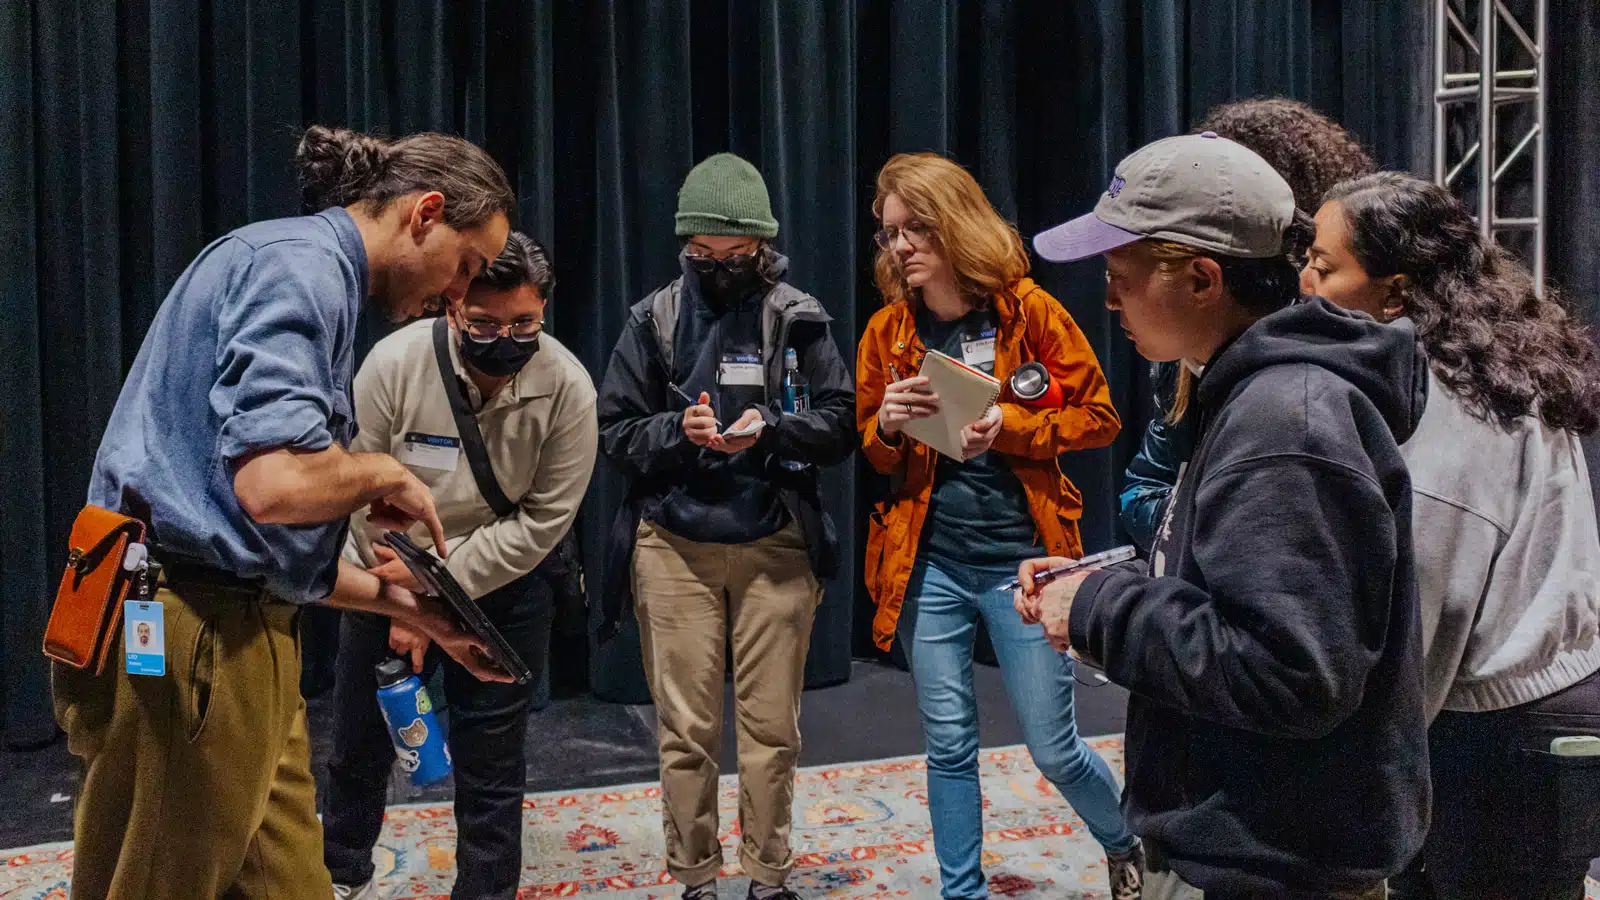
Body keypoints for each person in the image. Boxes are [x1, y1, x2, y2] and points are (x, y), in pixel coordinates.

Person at [52, 125, 517, 900]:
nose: (461, 295)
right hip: (188, 639)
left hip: (240, 634)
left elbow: (255, 543)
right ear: (425, 213)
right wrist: (382, 472)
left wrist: (418, 610)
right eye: (466, 265)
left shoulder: (303, 268)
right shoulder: (298, 271)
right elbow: (270, 488)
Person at [1019, 133, 1429, 897]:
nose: (1109, 301)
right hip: (1249, 844)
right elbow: (1237, 588)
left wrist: (1103, 608)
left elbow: (1292, 671)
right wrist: (1111, 580)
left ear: (1204, 279)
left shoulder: (1286, 422)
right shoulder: (1253, 397)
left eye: (1120, 278)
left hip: (1270, 862)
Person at [1303, 171, 1600, 900]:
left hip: (1503, 740)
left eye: (1323, 263)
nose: (1304, 280)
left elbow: (1428, 623)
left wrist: (1365, 768)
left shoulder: (1450, 413)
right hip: (1526, 717)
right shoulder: (1493, 360)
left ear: (1395, 292)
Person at [855, 153, 1136, 900]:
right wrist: (886, 424)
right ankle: (963, 892)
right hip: (930, 566)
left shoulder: (1029, 313)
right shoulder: (887, 331)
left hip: (1026, 563)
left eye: (917, 228)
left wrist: (1008, 425)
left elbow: (1099, 417)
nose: (901, 246)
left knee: (1054, 747)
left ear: (958, 226)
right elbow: (873, 451)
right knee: (948, 745)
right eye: (889, 234)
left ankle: (1127, 842)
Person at [596, 153, 857, 900]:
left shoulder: (799, 315)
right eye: (700, 254)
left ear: (761, 248)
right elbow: (614, 431)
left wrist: (769, 430)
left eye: (732, 255)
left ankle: (769, 878)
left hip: (775, 543)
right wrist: (682, 430)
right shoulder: (654, 317)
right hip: (673, 548)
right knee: (686, 733)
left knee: (773, 732)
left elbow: (840, 424)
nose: (715, 267)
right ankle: (695, 879)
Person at [322, 233, 598, 900]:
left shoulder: (569, 389)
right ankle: (337, 873)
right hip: (385, 574)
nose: (505, 337)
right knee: (359, 744)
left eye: (524, 322)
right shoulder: (392, 365)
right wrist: (398, 597)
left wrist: (439, 589)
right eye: (484, 323)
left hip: (505, 588)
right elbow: (353, 486)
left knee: (494, 765)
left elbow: (541, 523)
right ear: (451, 308)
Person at [1120, 98, 1377, 552]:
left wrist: (1104, 600)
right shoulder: (1188, 361)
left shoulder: (1295, 409)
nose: (1110, 301)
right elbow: (1143, 489)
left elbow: (1272, 618)